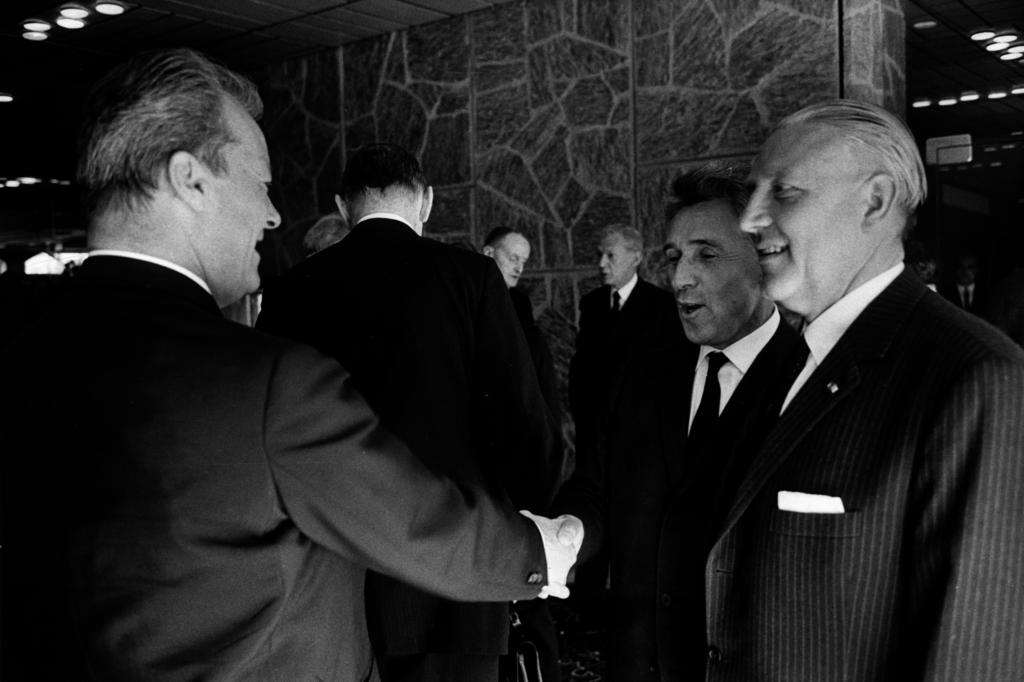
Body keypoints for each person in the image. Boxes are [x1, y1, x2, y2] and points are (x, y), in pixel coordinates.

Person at [0, 48, 580, 682]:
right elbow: (404, 516)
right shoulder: (266, 383)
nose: (273, 214)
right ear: (190, 179)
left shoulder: (25, 355)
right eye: (261, 183)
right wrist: (541, 550)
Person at [728, 98, 1024, 679]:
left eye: (784, 193)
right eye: (752, 193)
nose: (748, 219)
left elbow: (972, 656)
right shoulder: (780, 361)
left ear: (876, 201)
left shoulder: (976, 377)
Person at [257, 144, 566, 682]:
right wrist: (526, 536)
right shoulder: (471, 277)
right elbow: (522, 422)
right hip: (457, 579)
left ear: (342, 204)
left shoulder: (292, 291)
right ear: (425, 201)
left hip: (331, 582)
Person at [554, 165, 803, 680]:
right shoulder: (641, 371)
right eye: (674, 258)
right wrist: (568, 532)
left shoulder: (807, 383)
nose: (681, 278)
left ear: (763, 259)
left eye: (706, 255)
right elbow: (596, 487)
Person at [482, 226, 560, 419]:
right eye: (513, 259)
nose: (519, 268)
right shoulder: (471, 296)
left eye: (523, 261)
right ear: (488, 253)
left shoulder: (520, 303)